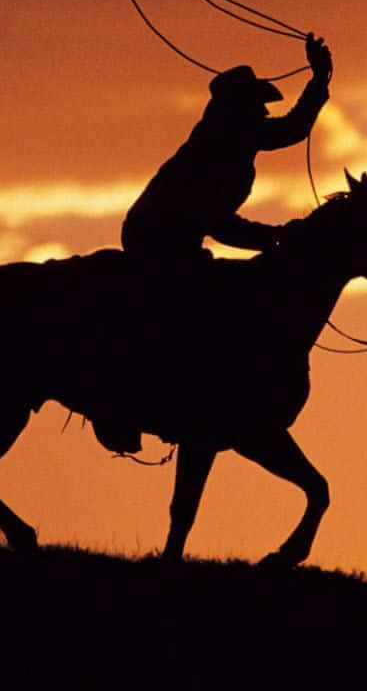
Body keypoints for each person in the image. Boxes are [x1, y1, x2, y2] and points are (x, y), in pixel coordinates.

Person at [95, 37, 334, 455]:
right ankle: (132, 402)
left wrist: (320, 79)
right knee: (189, 302)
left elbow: (290, 131)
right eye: (257, 105)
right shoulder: (219, 148)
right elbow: (219, 224)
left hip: (172, 238)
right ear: (240, 109)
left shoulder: (229, 143)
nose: (263, 112)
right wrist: (272, 237)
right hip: (158, 239)